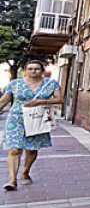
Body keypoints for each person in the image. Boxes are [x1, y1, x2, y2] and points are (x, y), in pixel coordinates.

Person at [0, 60, 64, 191]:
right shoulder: (15, 84)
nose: (33, 71)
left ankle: (25, 172)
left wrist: (42, 101)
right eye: (30, 69)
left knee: (32, 149)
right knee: (14, 149)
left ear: (42, 71)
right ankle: (12, 180)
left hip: (37, 119)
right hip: (16, 119)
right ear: (25, 70)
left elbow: (60, 99)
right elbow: (3, 101)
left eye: (37, 69)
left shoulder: (50, 84)